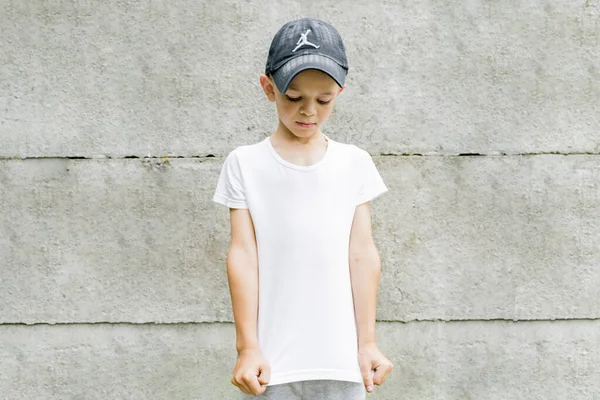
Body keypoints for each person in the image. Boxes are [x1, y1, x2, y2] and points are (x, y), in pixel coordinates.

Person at [213, 17, 393, 399]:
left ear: (339, 93)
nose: (308, 110)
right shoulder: (245, 164)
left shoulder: (354, 162)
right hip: (274, 368)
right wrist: (248, 347)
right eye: (294, 97)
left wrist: (368, 342)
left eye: (323, 99)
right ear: (268, 88)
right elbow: (243, 255)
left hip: (344, 365)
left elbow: (362, 254)